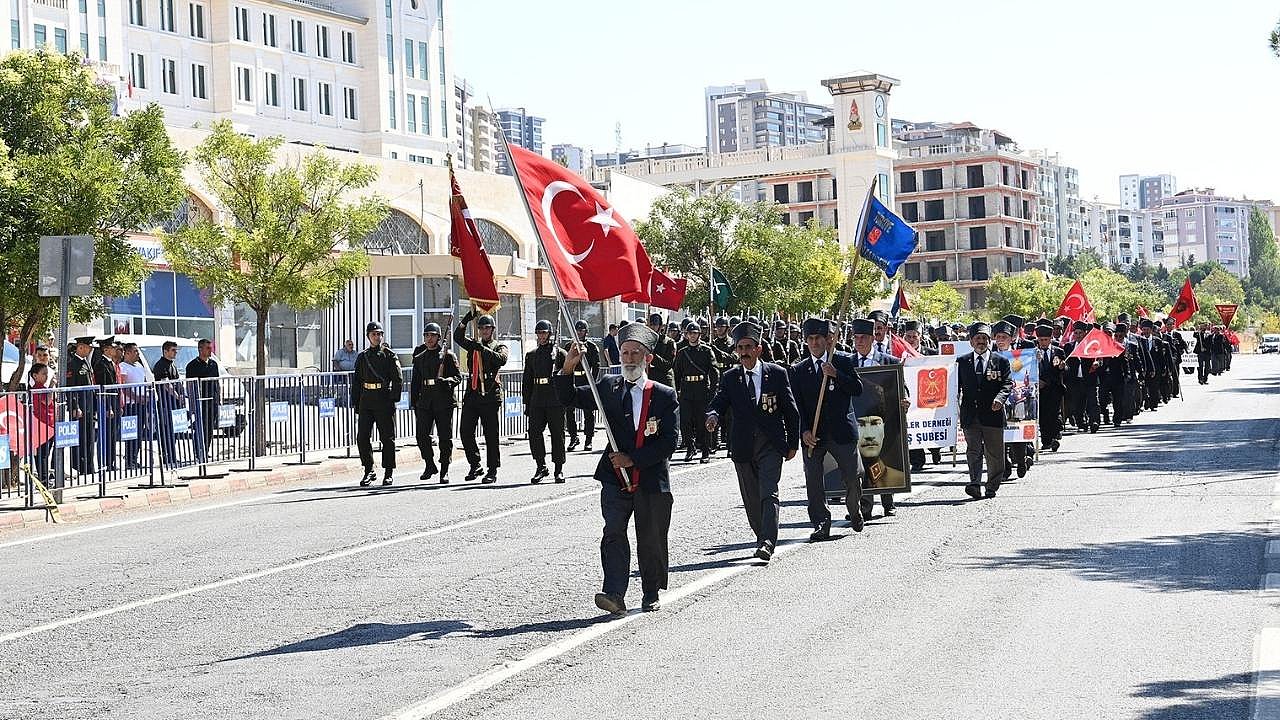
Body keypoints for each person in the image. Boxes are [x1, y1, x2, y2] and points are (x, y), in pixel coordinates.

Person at [557, 323, 678, 615]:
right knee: (613, 531)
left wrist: (633, 459)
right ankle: (614, 592)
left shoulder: (663, 395)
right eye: (625, 352)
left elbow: (669, 443)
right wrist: (568, 367)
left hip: (649, 477)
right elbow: (569, 398)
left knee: (650, 537)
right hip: (614, 477)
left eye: (636, 353)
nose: (629, 358)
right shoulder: (608, 388)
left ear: (648, 358)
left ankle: (650, 591)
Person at [706, 321, 799, 562]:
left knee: (769, 492)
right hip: (743, 445)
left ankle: (768, 541)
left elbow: (791, 410)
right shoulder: (730, 378)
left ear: (759, 349)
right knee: (751, 497)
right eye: (740, 347)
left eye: (748, 347)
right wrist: (713, 415)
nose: (744, 352)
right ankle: (761, 536)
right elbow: (720, 400)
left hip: (771, 444)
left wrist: (792, 443)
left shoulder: (776, 374)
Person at [789, 317, 865, 540]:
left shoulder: (841, 361)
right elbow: (797, 406)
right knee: (813, 481)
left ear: (827, 340)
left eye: (818, 338)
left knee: (852, 476)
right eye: (810, 339)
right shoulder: (798, 370)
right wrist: (804, 431)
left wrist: (836, 375)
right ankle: (821, 522)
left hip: (842, 431)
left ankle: (854, 509)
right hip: (814, 434)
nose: (814, 343)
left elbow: (857, 389)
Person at [849, 317, 903, 520]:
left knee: (882, 459)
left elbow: (900, 389)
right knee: (861, 464)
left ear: (873, 338)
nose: (859, 341)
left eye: (864, 337)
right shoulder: (847, 362)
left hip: (881, 419)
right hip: (856, 419)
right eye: (856, 337)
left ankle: (888, 503)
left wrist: (902, 401)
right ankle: (865, 507)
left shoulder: (889, 361)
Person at [957, 323, 1013, 500]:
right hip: (970, 414)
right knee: (973, 451)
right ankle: (974, 483)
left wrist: (1000, 399)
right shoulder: (962, 362)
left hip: (993, 414)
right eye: (977, 338)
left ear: (989, 341)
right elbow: (954, 387)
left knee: (994, 453)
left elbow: (1007, 384)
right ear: (971, 341)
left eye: (984, 338)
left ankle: (991, 486)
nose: (981, 342)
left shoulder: (1001, 361)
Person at [454, 310, 508, 484]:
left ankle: (492, 469)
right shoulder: (473, 344)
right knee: (465, 431)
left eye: (487, 328)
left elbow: (501, 359)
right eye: (481, 328)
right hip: (473, 392)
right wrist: (465, 319)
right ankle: (475, 463)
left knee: (491, 434)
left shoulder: (498, 346)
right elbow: (457, 337)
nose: (484, 331)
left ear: (492, 329)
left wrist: (482, 350)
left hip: (490, 394)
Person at [351, 322, 403, 487]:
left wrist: (393, 398)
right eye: (373, 334)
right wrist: (356, 403)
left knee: (387, 438)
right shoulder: (363, 356)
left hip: (383, 398)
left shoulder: (389, 355)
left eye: (379, 334)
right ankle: (368, 469)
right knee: (362, 437)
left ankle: (388, 472)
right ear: (368, 336)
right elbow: (357, 381)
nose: (376, 337)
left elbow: (397, 378)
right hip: (366, 399)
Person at [410, 322, 460, 484]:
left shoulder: (448, 355)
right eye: (426, 335)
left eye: (432, 335)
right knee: (421, 436)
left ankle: (444, 468)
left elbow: (458, 377)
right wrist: (414, 402)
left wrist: (446, 381)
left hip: (443, 400)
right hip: (425, 400)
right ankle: (429, 464)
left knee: (445, 437)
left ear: (439, 337)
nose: (429, 338)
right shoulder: (420, 357)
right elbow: (415, 382)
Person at [524, 319, 568, 484]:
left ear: (550, 334)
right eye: (539, 333)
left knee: (557, 434)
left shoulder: (560, 354)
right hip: (537, 398)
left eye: (544, 332)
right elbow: (527, 381)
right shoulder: (532, 355)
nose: (541, 336)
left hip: (555, 398)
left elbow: (567, 376)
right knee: (534, 433)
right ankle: (540, 466)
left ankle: (558, 469)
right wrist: (527, 403)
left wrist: (566, 398)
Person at [674, 321, 718, 464]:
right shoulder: (682, 353)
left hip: (701, 390)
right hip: (687, 391)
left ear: (699, 334)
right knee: (685, 422)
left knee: (701, 422)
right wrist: (677, 390)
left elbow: (714, 371)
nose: (692, 336)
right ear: (686, 335)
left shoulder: (706, 351)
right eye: (689, 333)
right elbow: (677, 373)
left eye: (694, 333)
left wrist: (712, 391)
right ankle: (690, 447)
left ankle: (705, 450)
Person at [565, 320, 601, 452]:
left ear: (586, 332)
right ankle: (573, 437)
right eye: (577, 330)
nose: (579, 333)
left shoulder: (591, 347)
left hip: (586, 380)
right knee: (569, 411)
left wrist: (593, 382)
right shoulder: (569, 345)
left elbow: (596, 366)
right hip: (573, 379)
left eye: (582, 330)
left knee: (588, 412)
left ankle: (588, 439)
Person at [63, 336, 96, 475]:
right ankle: (78, 466)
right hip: (80, 407)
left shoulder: (86, 362)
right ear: (81, 347)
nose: (90, 350)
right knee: (79, 438)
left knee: (89, 437)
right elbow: (71, 387)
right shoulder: (73, 363)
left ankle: (88, 466)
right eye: (88, 347)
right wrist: (75, 406)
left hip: (88, 405)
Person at [184, 339, 221, 462]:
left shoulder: (213, 364)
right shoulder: (192, 365)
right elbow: (190, 385)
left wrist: (218, 399)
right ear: (200, 349)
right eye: (208, 348)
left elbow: (217, 383)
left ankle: (206, 450)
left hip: (212, 401)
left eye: (211, 348)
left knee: (210, 428)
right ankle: (198, 451)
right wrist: (193, 403)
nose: (210, 350)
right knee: (200, 428)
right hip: (201, 401)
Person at [1034, 322, 1066, 452]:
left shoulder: (1058, 351)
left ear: (1050, 339)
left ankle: (1054, 438)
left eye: (1046, 340)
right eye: (1041, 340)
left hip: (1054, 388)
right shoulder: (1033, 352)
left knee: (1053, 414)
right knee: (1042, 416)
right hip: (1040, 389)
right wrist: (1037, 381)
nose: (1043, 342)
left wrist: (1062, 367)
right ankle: (1046, 441)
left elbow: (1065, 368)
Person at [152, 341, 184, 467]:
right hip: (165, 403)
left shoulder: (172, 364)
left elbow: (177, 381)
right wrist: (176, 395)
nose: (175, 352)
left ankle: (172, 455)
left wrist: (182, 395)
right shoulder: (161, 365)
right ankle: (167, 456)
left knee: (174, 430)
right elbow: (166, 384)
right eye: (173, 350)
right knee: (167, 430)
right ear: (165, 351)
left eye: (176, 350)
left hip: (173, 403)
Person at [93, 337, 121, 472]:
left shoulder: (110, 363)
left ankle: (111, 462)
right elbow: (104, 387)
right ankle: (105, 462)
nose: (114, 350)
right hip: (107, 402)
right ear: (106, 349)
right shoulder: (101, 365)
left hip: (114, 401)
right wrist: (108, 407)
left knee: (112, 434)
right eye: (112, 348)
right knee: (106, 434)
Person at [118, 343, 148, 470]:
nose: (138, 354)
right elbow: (123, 386)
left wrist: (146, 395)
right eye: (135, 351)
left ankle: (134, 459)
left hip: (141, 404)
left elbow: (144, 382)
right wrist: (136, 397)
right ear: (127, 353)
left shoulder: (139, 365)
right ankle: (129, 460)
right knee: (131, 433)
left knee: (139, 433)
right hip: (131, 405)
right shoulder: (123, 366)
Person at [28, 363, 55, 482]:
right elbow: (47, 401)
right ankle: (43, 478)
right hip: (41, 425)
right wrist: (52, 386)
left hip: (49, 424)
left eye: (47, 374)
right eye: (43, 374)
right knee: (42, 454)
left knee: (46, 453)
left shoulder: (44, 388)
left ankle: (44, 476)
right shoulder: (36, 389)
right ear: (35, 376)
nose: (46, 376)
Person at [645, 313, 677, 388]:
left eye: (655, 325)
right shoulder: (645, 342)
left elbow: (668, 365)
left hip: (664, 381)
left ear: (660, 326)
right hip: (650, 380)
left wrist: (652, 355)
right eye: (651, 325)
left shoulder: (669, 342)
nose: (652, 327)